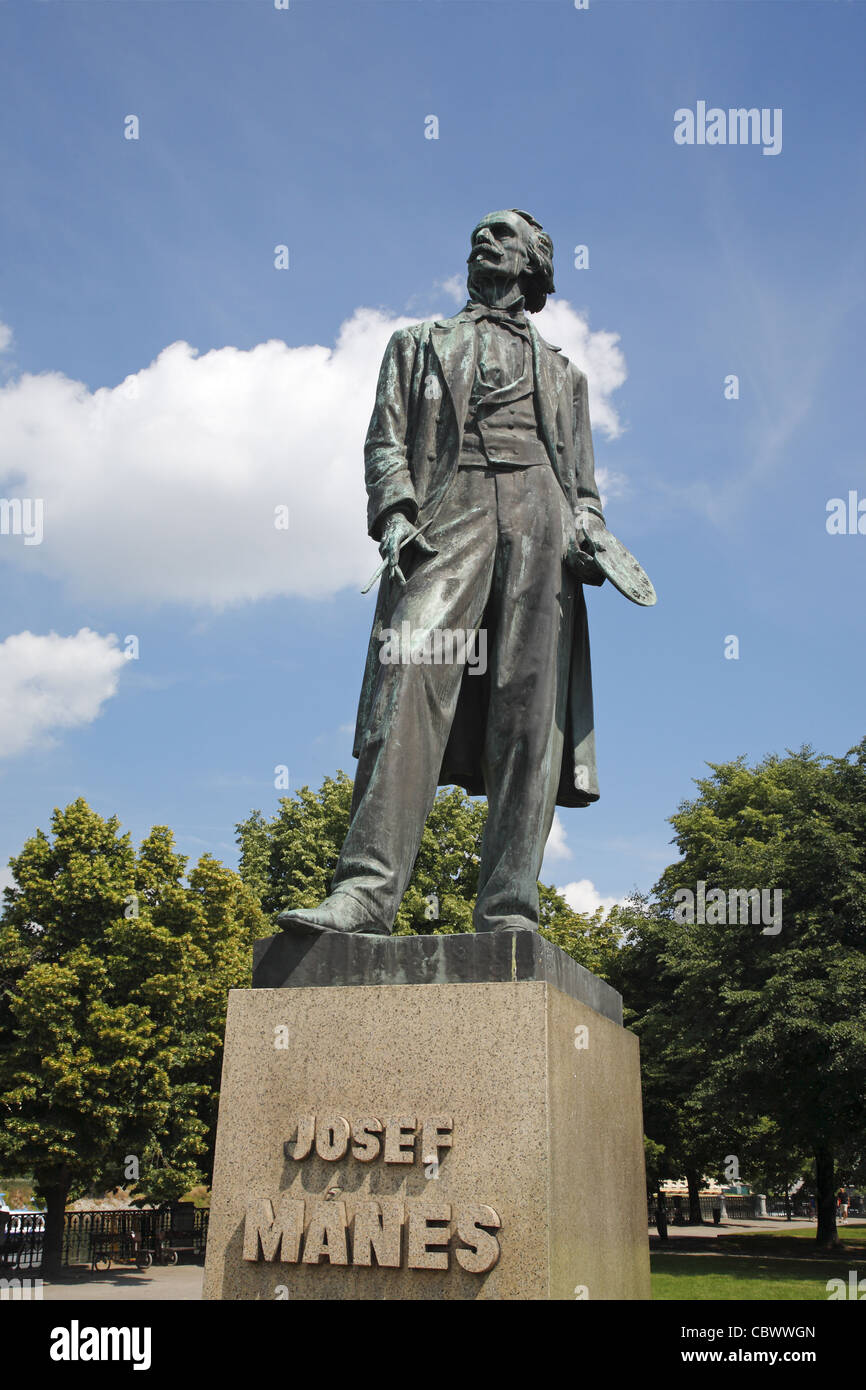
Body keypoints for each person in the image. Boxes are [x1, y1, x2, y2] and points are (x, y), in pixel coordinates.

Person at [279, 210, 607, 938]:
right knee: (407, 683)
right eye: (478, 235)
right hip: (446, 513)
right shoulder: (417, 345)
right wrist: (394, 512)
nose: (483, 240)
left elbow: (584, 487)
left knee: (530, 715)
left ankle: (510, 906)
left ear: (534, 262)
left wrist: (589, 530)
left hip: (541, 522)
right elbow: (385, 439)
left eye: (501, 234)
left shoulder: (565, 374)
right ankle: (364, 893)